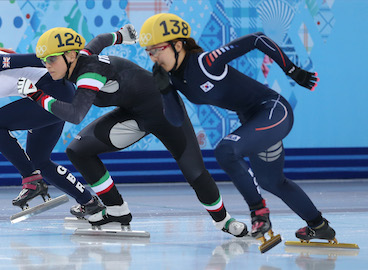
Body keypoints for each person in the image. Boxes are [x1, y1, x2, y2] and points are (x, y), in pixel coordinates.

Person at [17, 26, 247, 236]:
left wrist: (37, 96)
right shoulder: (83, 56)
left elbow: (75, 114)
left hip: (166, 112)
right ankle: (117, 211)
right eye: (43, 60)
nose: (47, 65)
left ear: (70, 56)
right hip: (134, 112)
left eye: (51, 59)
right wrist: (121, 36)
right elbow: (99, 40)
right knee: (78, 150)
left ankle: (224, 220)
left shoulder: (90, 74)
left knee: (194, 172)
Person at [138, 13, 333, 242]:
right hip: (253, 122)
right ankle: (318, 225)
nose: (153, 57)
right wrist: (164, 91)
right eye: (149, 52)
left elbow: (256, 39)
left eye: (157, 49)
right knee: (271, 181)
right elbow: (177, 120)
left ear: (178, 44)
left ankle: (259, 212)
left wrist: (291, 70)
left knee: (225, 150)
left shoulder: (205, 62)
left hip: (273, 111)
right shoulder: (170, 79)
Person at [0, 20, 110, 213]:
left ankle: (32, 181)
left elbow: (36, 58)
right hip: (47, 96)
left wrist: (81, 64)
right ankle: (90, 203)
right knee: (39, 160)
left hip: (55, 92)